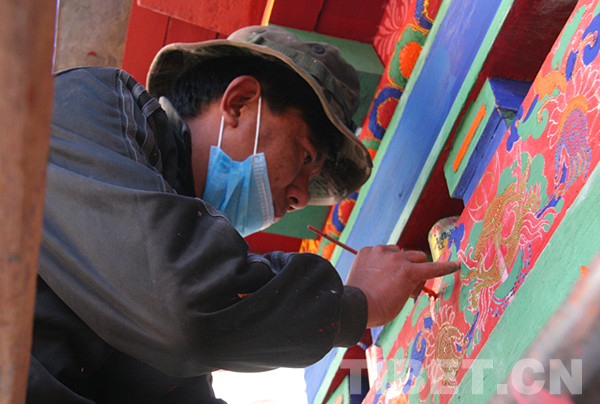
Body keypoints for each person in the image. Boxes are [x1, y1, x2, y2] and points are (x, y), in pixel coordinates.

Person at [29, 25, 459, 403]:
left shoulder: (169, 304)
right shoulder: (87, 105)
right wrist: (354, 303)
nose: (299, 196)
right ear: (239, 103)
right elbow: (186, 307)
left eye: (311, 189)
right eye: (305, 155)